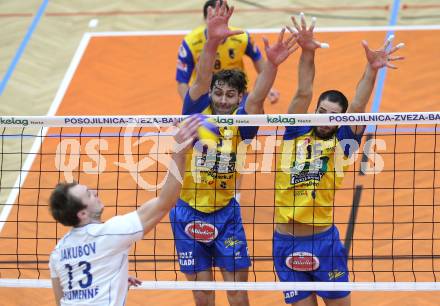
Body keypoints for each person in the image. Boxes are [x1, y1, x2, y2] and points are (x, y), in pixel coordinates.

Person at [169, 1, 298, 306]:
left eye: (230, 95)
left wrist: (272, 66)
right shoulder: (196, 112)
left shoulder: (242, 121)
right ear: (211, 93)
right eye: (219, 93)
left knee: (238, 294)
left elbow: (258, 97)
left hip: (226, 214)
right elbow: (199, 79)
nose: (223, 100)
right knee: (202, 294)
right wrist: (212, 42)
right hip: (188, 211)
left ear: (238, 97)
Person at [273, 14, 404, 306]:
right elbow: (303, 90)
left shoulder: (343, 144)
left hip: (323, 243)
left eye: (332, 114)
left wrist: (371, 69)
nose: (324, 117)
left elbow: (358, 104)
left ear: (340, 119)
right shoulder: (294, 131)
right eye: (321, 110)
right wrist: (307, 51)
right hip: (285, 242)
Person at [48, 116, 201, 306]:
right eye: (88, 194)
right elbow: (165, 202)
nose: (94, 192)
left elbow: (60, 301)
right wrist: (179, 154)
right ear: (82, 214)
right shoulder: (111, 233)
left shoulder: (57, 253)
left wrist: (113, 279)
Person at [176, 0, 280, 103]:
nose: (216, 23)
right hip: (206, 95)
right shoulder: (190, 43)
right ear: (204, 19)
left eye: (221, 18)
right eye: (212, 18)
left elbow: (258, 60)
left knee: (254, 108)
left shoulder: (242, 37)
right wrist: (189, 106)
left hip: (235, 92)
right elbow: (182, 82)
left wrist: (268, 87)